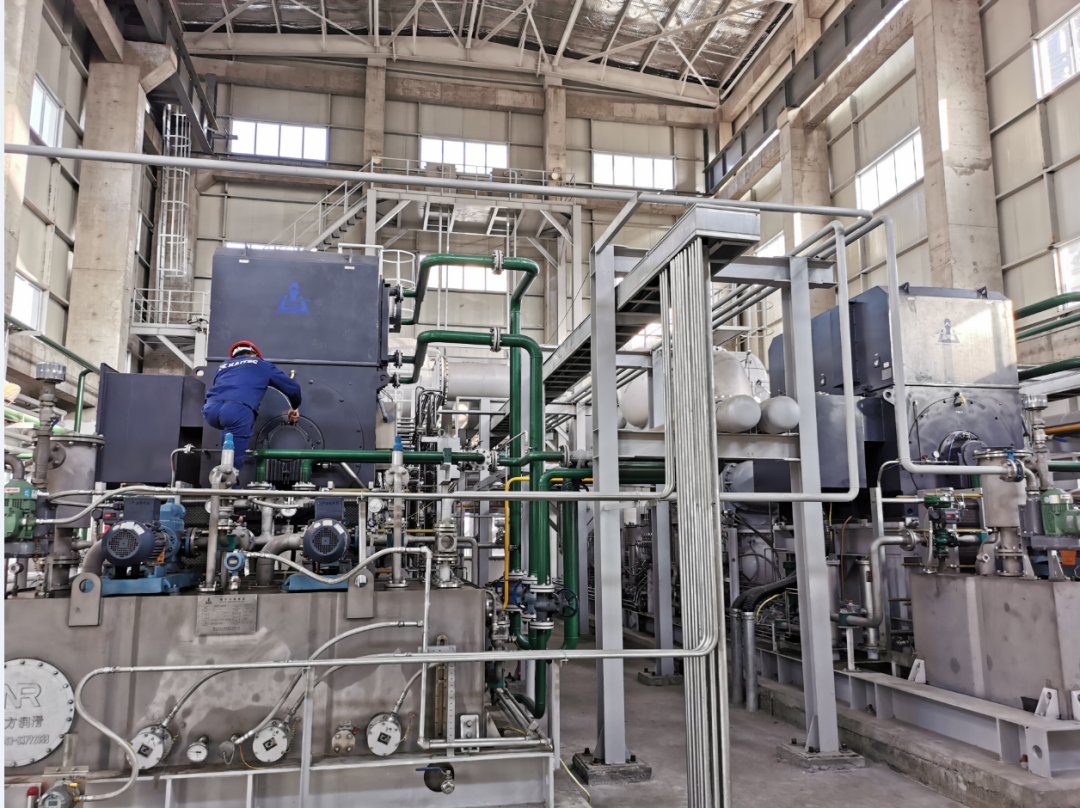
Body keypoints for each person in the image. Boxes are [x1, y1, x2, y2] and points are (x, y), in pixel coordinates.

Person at [202, 341, 302, 472]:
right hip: (236, 410)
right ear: (254, 355)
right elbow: (294, 388)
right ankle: (228, 483)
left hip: (210, 410)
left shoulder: (223, 366)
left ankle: (223, 476)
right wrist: (294, 406)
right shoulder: (261, 364)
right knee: (232, 465)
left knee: (228, 445)